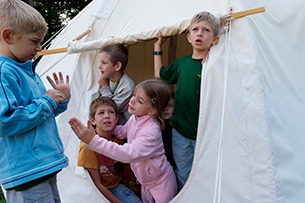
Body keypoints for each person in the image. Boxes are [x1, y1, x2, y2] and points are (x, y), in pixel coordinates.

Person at [0, 0, 70, 202]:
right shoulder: (4, 73)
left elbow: (38, 116)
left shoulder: (25, 69)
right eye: (34, 41)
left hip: (42, 166)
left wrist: (59, 99)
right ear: (8, 36)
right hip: (26, 171)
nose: (39, 48)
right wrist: (46, 102)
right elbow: (5, 120)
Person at [69, 78, 177, 203]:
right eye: (134, 95)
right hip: (145, 183)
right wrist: (105, 128)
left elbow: (127, 154)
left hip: (161, 184)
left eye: (140, 101)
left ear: (152, 110)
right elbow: (122, 131)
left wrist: (94, 140)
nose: (132, 101)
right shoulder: (135, 118)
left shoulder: (151, 131)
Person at [153, 11, 221, 191]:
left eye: (206, 30)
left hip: (205, 134)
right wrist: (157, 48)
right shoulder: (182, 64)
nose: (200, 33)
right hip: (181, 133)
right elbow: (160, 75)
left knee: (206, 173)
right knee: (183, 173)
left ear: (214, 40)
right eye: (196, 30)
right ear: (189, 37)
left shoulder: (215, 65)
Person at [77, 97, 142, 203]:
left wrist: (128, 186)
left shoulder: (118, 141)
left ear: (116, 118)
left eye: (110, 112)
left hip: (118, 185)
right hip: (105, 190)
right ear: (92, 121)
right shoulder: (87, 147)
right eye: (101, 113)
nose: (107, 116)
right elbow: (96, 184)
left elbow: (118, 170)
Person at [97, 43, 135, 125]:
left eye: (104, 62)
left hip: (123, 127)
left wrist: (104, 88)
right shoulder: (107, 78)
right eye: (99, 62)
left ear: (117, 66)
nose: (99, 66)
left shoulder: (127, 87)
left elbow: (111, 108)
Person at [162, 92, 176, 170]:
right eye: (163, 105)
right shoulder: (158, 128)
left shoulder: (179, 128)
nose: (165, 109)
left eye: (170, 106)